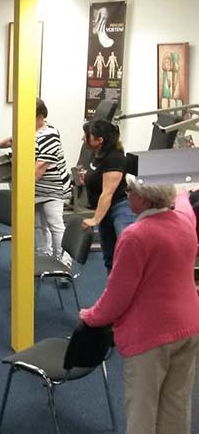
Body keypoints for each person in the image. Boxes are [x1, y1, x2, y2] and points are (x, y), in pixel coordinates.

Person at [80, 177, 199, 434]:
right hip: (190, 326)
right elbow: (180, 198)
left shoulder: (136, 236)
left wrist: (90, 316)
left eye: (129, 191)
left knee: (142, 412)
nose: (127, 195)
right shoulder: (185, 222)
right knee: (177, 405)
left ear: (142, 198)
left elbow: (117, 296)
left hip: (151, 334)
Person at [0, 99, 72, 262]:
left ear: (40, 117)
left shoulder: (49, 135)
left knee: (54, 224)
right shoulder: (28, 129)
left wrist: (23, 192)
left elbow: (39, 168)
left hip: (53, 188)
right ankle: (43, 256)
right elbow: (12, 140)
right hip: (36, 187)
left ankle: (64, 262)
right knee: (39, 224)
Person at [78, 119, 136, 272]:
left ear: (99, 140)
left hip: (120, 208)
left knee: (127, 256)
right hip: (106, 210)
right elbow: (99, 176)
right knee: (110, 259)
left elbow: (107, 193)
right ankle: (113, 286)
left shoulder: (114, 158)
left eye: (87, 136)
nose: (83, 138)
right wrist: (88, 178)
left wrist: (95, 219)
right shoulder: (98, 155)